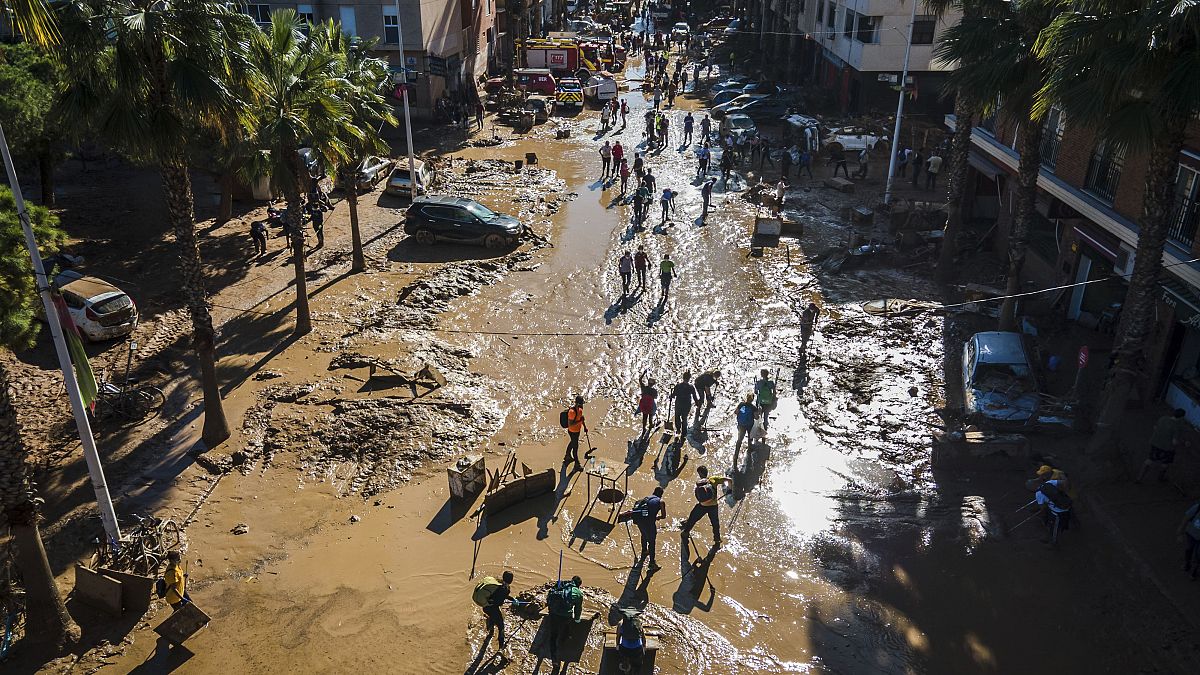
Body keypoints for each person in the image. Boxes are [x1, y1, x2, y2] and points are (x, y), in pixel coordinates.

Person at [681, 465, 730, 545]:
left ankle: (685, 532)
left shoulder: (700, 483)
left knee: (693, 517)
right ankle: (717, 539)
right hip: (714, 507)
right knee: (715, 524)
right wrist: (730, 489)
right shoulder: (714, 479)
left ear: (700, 473)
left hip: (702, 506)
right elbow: (729, 480)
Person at [1139, 409, 1191, 482]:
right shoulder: (1176, 426)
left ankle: (1139, 478)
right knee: (1165, 463)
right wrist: (1184, 443)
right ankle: (1160, 478)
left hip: (1155, 443)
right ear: (1181, 417)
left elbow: (1155, 427)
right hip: (1167, 448)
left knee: (1149, 460)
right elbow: (1174, 442)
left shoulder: (1163, 418)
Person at [545, 576, 585, 660]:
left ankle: (554, 658)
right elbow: (578, 609)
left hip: (553, 614)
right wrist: (577, 619)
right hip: (565, 617)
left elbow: (549, 597)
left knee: (553, 636)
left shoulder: (561, 586)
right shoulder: (578, 593)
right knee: (566, 629)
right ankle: (563, 642)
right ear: (578, 585)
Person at [632, 487, 667, 570]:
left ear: (653, 492)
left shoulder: (646, 498)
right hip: (649, 523)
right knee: (652, 542)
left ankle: (644, 551)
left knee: (643, 535)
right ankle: (652, 563)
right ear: (661, 494)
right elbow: (663, 516)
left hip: (640, 521)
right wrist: (657, 517)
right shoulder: (661, 501)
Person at [477, 571, 514, 649]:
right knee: (501, 627)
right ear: (511, 580)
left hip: (485, 606)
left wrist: (512, 599)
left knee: (492, 617)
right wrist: (503, 600)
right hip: (492, 608)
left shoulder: (498, 583)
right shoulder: (506, 589)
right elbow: (499, 603)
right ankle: (501, 649)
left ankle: (490, 632)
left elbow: (499, 595)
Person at [1035, 476, 1072, 545]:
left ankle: (1053, 543)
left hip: (1058, 512)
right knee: (1068, 518)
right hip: (1067, 504)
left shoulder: (1038, 494)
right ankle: (1075, 525)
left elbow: (1042, 508)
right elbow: (1065, 482)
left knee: (1054, 527)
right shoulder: (1049, 483)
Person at [733, 394, 758, 469]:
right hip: (749, 425)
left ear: (746, 398)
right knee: (750, 436)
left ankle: (736, 454)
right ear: (752, 399)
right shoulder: (753, 407)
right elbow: (756, 418)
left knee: (739, 439)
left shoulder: (741, 404)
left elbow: (735, 412)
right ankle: (750, 448)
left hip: (741, 425)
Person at [1178, 498, 1200, 578]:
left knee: (1198, 554)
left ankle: (1194, 571)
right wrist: (1180, 532)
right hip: (1191, 534)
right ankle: (1187, 563)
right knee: (1189, 549)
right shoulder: (1197, 507)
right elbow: (1186, 519)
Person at [564, 396, 588, 470]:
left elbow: (581, 419)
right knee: (575, 447)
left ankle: (567, 456)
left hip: (577, 431)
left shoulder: (580, 410)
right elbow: (570, 424)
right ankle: (577, 465)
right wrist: (579, 421)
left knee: (573, 442)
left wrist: (585, 427)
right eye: (581, 403)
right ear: (577, 403)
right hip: (572, 431)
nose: (581, 405)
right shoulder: (572, 412)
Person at [671, 371, 697, 436]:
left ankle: (678, 430)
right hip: (687, 405)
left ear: (683, 377)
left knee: (677, 417)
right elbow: (694, 396)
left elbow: (674, 395)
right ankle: (684, 433)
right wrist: (697, 403)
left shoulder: (678, 386)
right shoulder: (691, 387)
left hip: (679, 404)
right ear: (689, 378)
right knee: (684, 418)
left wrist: (671, 396)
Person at [638, 370, 658, 435]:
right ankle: (650, 425)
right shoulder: (654, 391)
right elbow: (655, 397)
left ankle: (644, 428)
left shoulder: (644, 388)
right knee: (650, 415)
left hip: (643, 405)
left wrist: (644, 373)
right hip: (650, 406)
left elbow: (640, 380)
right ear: (653, 384)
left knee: (644, 416)